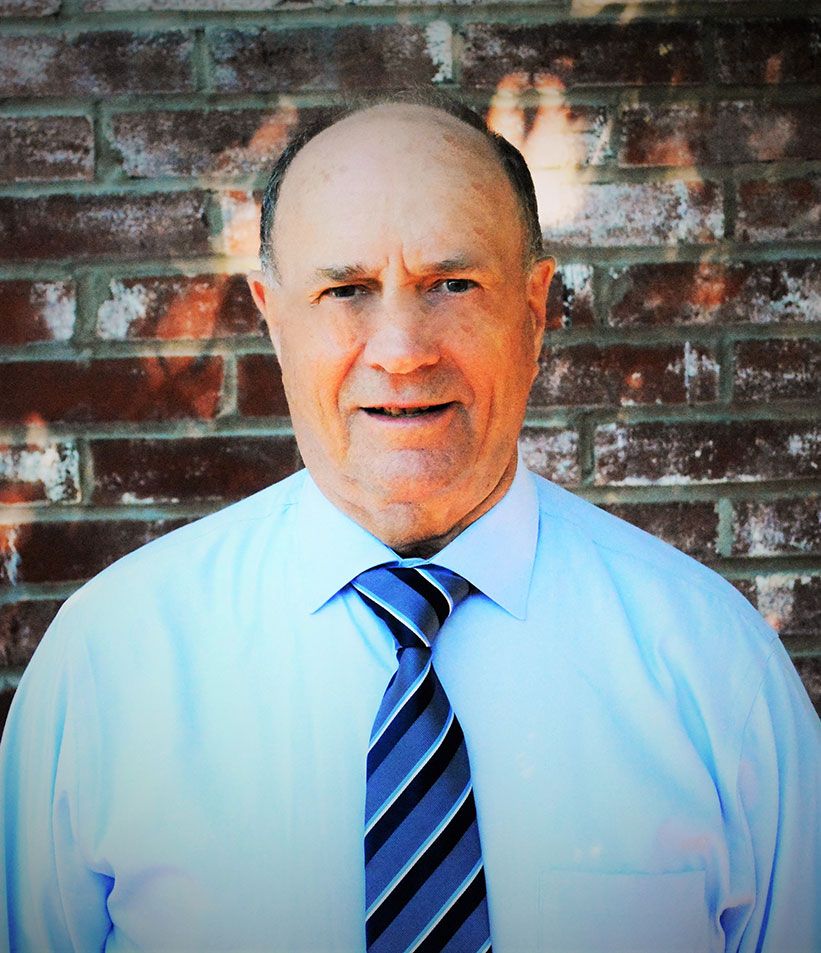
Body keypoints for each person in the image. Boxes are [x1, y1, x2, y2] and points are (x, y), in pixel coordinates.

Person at [0, 92, 818, 953]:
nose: (401, 348)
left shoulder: (712, 667)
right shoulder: (111, 661)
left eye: (452, 284)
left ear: (534, 311)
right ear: (274, 318)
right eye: (346, 289)